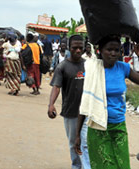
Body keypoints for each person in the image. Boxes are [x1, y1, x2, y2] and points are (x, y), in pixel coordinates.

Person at [75, 35, 139, 169]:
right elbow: (85, 103)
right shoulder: (92, 70)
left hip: (118, 126)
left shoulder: (123, 68)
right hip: (98, 127)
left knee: (122, 165)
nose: (113, 53)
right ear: (100, 50)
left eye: (117, 50)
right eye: (109, 49)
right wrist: (77, 135)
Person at [48, 35, 85, 169]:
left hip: (87, 112)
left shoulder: (88, 65)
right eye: (75, 48)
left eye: (81, 48)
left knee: (86, 142)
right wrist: (51, 104)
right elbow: (56, 87)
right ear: (70, 48)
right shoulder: (62, 67)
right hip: (71, 112)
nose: (78, 51)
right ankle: (76, 165)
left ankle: (86, 165)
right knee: (73, 141)